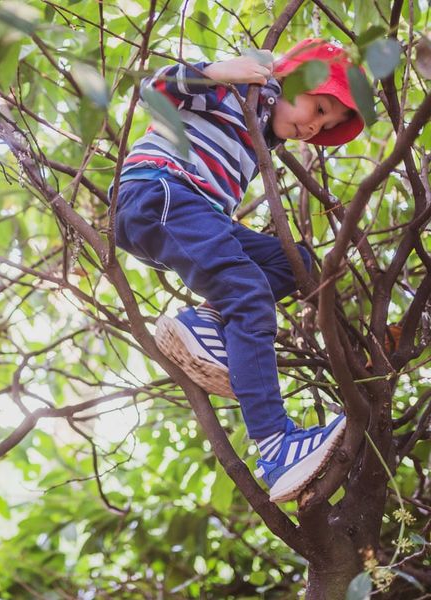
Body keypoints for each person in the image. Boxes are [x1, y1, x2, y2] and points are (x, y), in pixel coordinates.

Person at [114, 39, 363, 503]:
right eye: (318, 105)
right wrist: (217, 72)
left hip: (187, 208)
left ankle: (205, 322)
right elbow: (155, 89)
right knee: (247, 293)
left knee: (294, 263)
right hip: (162, 191)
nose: (313, 125)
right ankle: (275, 445)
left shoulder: (262, 130)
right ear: (289, 77)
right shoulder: (242, 91)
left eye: (325, 123)